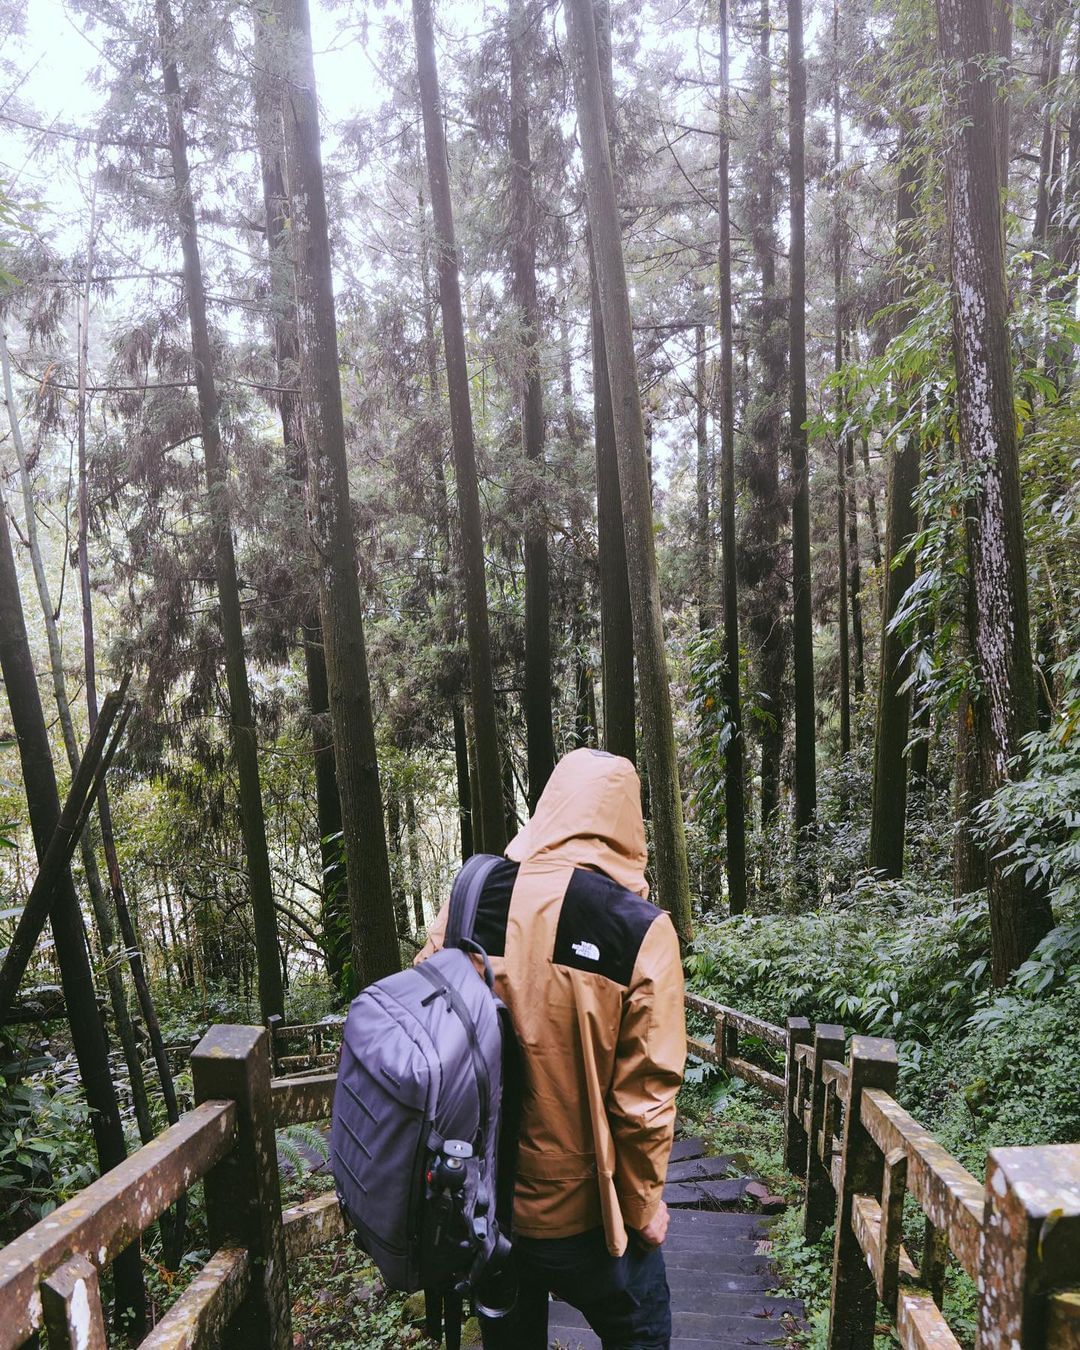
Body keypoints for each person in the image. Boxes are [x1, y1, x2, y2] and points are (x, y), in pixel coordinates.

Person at [417, 747, 686, 1350]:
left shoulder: (470, 898)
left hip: (486, 1208)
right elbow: (645, 1101)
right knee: (642, 1329)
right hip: (586, 1216)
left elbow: (428, 1028)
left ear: (551, 809)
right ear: (628, 825)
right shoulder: (641, 929)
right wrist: (643, 1210)